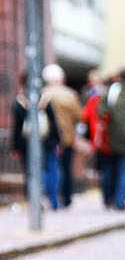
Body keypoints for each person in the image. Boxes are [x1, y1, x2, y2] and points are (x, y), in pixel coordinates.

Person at [12, 71, 61, 209]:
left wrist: (15, 147)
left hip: (27, 143)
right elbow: (53, 123)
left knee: (30, 172)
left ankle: (34, 200)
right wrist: (57, 141)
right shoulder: (45, 100)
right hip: (47, 141)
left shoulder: (20, 102)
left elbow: (16, 128)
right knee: (50, 170)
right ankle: (52, 200)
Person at [40, 63, 82, 207]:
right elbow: (79, 115)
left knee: (49, 168)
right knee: (65, 168)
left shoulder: (42, 94)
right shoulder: (69, 94)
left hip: (48, 138)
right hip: (67, 137)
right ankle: (66, 198)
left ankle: (52, 197)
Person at [104, 70, 125, 210]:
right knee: (124, 170)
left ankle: (109, 199)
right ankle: (120, 201)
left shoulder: (111, 92)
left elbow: (102, 111)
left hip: (110, 138)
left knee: (110, 170)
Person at [83, 70, 114, 207]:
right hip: (111, 136)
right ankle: (112, 196)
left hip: (99, 138)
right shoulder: (111, 95)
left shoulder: (92, 98)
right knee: (112, 167)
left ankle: (107, 197)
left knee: (105, 168)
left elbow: (85, 117)